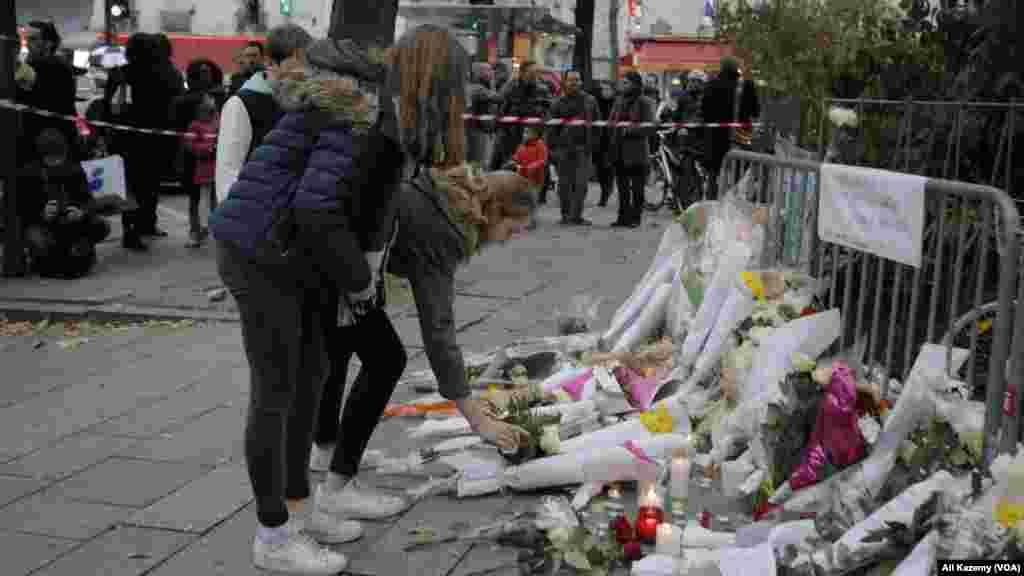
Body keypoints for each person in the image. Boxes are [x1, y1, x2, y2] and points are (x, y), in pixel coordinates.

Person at [207, 26, 358, 575]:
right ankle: (272, 534)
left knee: (313, 374)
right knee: (276, 389)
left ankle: (298, 508)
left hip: (298, 255)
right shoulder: (247, 105)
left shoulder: (329, 112)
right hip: (261, 252)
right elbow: (234, 184)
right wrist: (358, 280)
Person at [286, 37, 412, 526]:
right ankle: (334, 487)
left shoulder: (333, 125)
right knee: (385, 360)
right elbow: (344, 214)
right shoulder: (365, 135)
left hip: (322, 269)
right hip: (334, 272)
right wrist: (357, 284)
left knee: (333, 360)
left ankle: (325, 459)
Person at [104, 32, 185, 250]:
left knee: (130, 187)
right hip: (156, 140)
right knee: (150, 185)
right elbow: (174, 105)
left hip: (124, 139)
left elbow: (107, 107)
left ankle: (131, 231)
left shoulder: (121, 74)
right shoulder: (166, 74)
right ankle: (147, 224)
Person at [215, 26, 307, 204]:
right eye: (297, 61)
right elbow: (228, 175)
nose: (304, 72)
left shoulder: (300, 102)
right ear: (271, 63)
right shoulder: (240, 104)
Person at [19, 129, 111, 278]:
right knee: (37, 238)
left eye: (59, 158)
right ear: (42, 156)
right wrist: (42, 213)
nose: (56, 163)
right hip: (43, 225)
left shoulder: (74, 170)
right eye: (51, 159)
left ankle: (78, 251)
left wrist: (81, 212)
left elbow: (90, 201)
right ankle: (45, 258)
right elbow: (21, 209)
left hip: (71, 222)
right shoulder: (29, 174)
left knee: (102, 226)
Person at [16, 21, 77, 165]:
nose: (27, 44)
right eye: (27, 39)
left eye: (33, 39)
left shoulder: (51, 67)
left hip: (49, 141)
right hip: (53, 139)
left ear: (48, 43)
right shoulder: (60, 65)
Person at [546, 70, 598, 226]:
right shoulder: (557, 103)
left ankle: (576, 216)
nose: (574, 83)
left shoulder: (590, 101)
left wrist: (594, 144)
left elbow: (597, 124)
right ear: (564, 82)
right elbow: (551, 129)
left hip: (583, 148)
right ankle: (565, 214)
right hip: (563, 149)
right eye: (571, 80)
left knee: (581, 184)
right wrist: (553, 150)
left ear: (581, 82)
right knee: (564, 185)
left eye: (577, 80)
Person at [607, 71, 655, 228]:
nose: (622, 85)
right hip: (618, 149)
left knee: (637, 187)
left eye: (626, 82)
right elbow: (611, 122)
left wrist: (628, 130)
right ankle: (622, 217)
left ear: (635, 84)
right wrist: (612, 130)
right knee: (621, 186)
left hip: (637, 151)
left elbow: (649, 127)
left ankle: (635, 218)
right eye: (622, 82)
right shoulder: (618, 101)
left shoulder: (645, 102)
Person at [490, 60, 546, 170]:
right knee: (503, 166)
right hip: (509, 136)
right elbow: (500, 105)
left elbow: (548, 110)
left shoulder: (542, 90)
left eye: (536, 73)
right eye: (531, 73)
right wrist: (498, 127)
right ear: (522, 73)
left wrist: (540, 124)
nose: (534, 76)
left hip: (531, 138)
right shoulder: (511, 87)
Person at [701, 57, 742, 199]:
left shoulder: (712, 84)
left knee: (713, 175)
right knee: (735, 174)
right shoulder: (738, 86)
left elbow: (705, 109)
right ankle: (729, 202)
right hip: (735, 137)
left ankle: (712, 202)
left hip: (713, 137)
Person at [182, 94, 219, 248]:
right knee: (203, 198)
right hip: (203, 167)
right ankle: (203, 228)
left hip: (216, 166)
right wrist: (206, 149)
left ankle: (215, 229)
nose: (207, 114)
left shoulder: (216, 123)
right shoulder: (194, 125)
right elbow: (190, 145)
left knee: (215, 199)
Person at [466, 62, 501, 167]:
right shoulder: (478, 89)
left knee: (481, 162)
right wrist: (493, 83)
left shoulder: (482, 87)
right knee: (478, 163)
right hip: (478, 131)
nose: (492, 73)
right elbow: (498, 98)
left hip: (484, 130)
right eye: (488, 70)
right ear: (480, 73)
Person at [593, 80, 617, 207]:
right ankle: (605, 189)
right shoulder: (597, 102)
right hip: (599, 140)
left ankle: (606, 193)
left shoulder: (617, 103)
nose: (605, 92)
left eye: (607, 89)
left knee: (608, 167)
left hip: (612, 140)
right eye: (603, 89)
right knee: (600, 169)